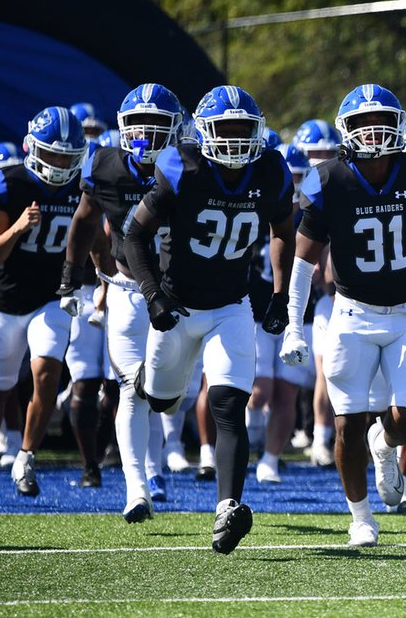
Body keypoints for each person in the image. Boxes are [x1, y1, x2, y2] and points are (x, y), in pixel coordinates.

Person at [278, 83, 406, 547]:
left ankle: (384, 447)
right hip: (352, 314)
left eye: (381, 121)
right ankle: (360, 517)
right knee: (347, 423)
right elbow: (304, 261)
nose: (374, 131)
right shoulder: (328, 179)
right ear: (347, 129)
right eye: (363, 123)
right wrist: (294, 324)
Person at [123, 85, 296, 554]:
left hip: (231, 306)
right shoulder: (182, 167)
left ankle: (227, 508)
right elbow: (133, 236)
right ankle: (145, 383)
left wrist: (280, 293)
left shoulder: (271, 170)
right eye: (227, 130)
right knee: (161, 401)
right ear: (204, 131)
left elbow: (284, 231)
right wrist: (152, 294)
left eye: (246, 130)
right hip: (176, 307)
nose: (238, 141)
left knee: (227, 404)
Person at [59, 83, 187, 521]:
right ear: (122, 129)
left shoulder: (191, 167)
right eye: (139, 128)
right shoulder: (105, 167)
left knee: (166, 395)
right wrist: (74, 277)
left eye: (157, 129)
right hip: (129, 293)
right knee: (132, 390)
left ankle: (156, 466)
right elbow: (84, 221)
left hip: (179, 297)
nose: (147, 139)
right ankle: (138, 487)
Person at [0, 107, 88, 504]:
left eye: (67, 156)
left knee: (46, 373)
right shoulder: (9, 183)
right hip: (8, 301)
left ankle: (26, 456)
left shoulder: (81, 187)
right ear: (34, 149)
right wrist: (18, 227)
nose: (60, 164)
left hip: (51, 297)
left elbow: (94, 239)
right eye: (54, 154)